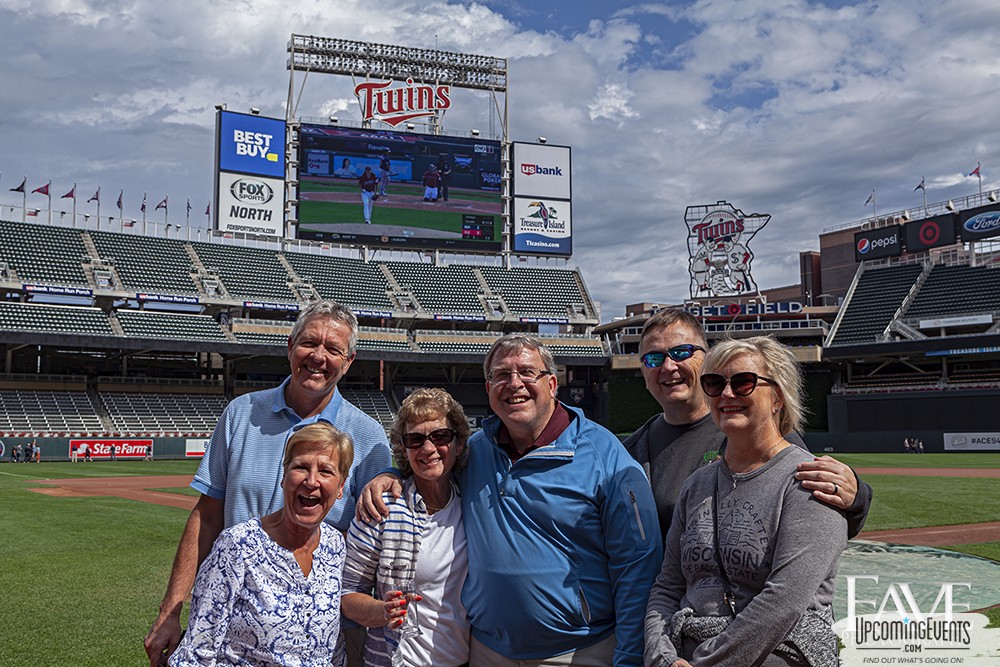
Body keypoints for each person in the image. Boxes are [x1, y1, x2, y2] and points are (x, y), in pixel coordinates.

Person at [360, 334, 662, 666]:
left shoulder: (605, 455)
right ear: (489, 388)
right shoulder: (475, 452)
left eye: (527, 372)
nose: (514, 383)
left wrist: (630, 656)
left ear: (552, 384)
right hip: (487, 650)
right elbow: (431, 464)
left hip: (578, 650)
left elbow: (637, 566)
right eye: (502, 374)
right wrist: (391, 473)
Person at [145, 300, 392, 667]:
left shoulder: (368, 436)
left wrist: (391, 476)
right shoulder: (241, 413)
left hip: (323, 638)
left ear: (349, 361)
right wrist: (170, 610)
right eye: (309, 343)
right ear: (290, 346)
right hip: (234, 633)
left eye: (333, 349)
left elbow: (379, 535)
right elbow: (207, 516)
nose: (318, 356)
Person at [645, 336, 847, 667]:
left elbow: (783, 602)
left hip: (777, 653)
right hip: (688, 650)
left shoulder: (809, 481)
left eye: (743, 382)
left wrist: (705, 663)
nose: (726, 394)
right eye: (715, 383)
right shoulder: (696, 485)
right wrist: (661, 657)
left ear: (778, 397)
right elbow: (667, 587)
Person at [623, 308, 871, 540]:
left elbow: (815, 510)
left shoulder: (759, 429)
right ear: (643, 372)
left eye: (681, 353)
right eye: (653, 359)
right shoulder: (630, 452)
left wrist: (856, 497)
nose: (668, 366)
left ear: (706, 360)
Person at [169, 422, 353, 666]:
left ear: (341, 486)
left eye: (326, 471)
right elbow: (196, 653)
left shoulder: (335, 546)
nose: (311, 481)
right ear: (283, 477)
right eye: (301, 467)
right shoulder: (237, 545)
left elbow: (331, 647)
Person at [342, 388, 472, 667]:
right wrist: (382, 611)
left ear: (459, 443)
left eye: (440, 436)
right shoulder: (382, 508)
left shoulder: (471, 502)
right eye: (415, 440)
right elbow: (346, 593)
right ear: (404, 449)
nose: (428, 448)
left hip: (466, 659)